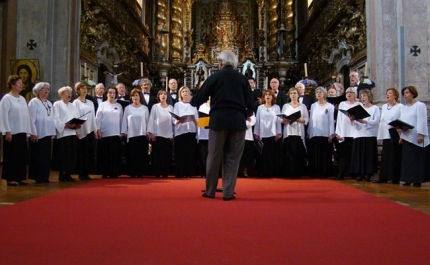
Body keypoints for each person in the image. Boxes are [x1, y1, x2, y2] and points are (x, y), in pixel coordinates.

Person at [191, 50, 253, 200]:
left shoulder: (215, 77)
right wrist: (246, 114)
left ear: (221, 63)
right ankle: (228, 192)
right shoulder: (243, 79)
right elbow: (250, 104)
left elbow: (197, 99)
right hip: (238, 122)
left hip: (218, 121)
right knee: (233, 158)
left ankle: (210, 191)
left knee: (213, 156)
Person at [0, 75, 31, 186]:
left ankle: (19, 177)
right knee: (11, 156)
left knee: (20, 156)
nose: (21, 85)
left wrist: (27, 131)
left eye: (21, 83)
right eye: (18, 83)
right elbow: (3, 116)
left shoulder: (22, 98)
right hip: (11, 132)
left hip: (21, 131)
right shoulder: (7, 99)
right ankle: (10, 178)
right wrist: (7, 131)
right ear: (12, 84)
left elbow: (26, 116)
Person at [398, 86, 430, 187]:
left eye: (407, 92)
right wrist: (401, 135)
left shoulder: (419, 105)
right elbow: (402, 122)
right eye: (404, 93)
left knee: (416, 159)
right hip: (407, 136)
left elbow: (422, 120)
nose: (405, 95)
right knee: (408, 159)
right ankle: (408, 179)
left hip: (416, 137)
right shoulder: (404, 107)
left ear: (413, 93)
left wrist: (421, 134)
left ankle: (417, 180)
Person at [28, 82, 56, 183]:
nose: (47, 90)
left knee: (46, 156)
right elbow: (31, 118)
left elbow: (52, 118)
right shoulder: (34, 102)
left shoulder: (48, 103)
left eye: (48, 89)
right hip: (38, 133)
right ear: (38, 90)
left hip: (47, 132)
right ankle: (37, 176)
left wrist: (52, 132)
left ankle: (45, 176)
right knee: (38, 156)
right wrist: (33, 132)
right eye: (44, 88)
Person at [350, 89, 380, 182]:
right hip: (359, 133)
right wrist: (353, 119)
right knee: (359, 155)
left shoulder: (375, 108)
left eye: (364, 96)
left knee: (369, 155)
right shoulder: (358, 108)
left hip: (369, 134)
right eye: (361, 96)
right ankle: (360, 173)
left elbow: (376, 121)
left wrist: (365, 121)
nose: (363, 98)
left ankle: (369, 174)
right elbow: (355, 124)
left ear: (369, 97)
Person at [53, 86, 81, 182]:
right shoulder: (57, 104)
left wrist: (77, 126)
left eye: (70, 92)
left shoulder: (73, 106)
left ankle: (68, 173)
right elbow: (56, 118)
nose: (69, 94)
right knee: (63, 154)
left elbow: (77, 117)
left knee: (71, 154)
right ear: (61, 94)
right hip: (63, 133)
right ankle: (62, 173)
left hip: (72, 133)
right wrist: (65, 125)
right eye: (67, 92)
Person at [375, 88, 403, 184]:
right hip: (385, 133)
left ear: (395, 95)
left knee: (394, 156)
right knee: (385, 156)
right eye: (387, 93)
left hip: (395, 133)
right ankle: (383, 177)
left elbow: (402, 120)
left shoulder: (400, 107)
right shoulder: (384, 106)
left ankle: (395, 177)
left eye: (390, 93)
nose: (387, 95)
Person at [95, 86, 123, 178]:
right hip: (105, 133)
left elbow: (121, 119)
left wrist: (122, 132)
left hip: (115, 133)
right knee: (105, 154)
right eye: (110, 93)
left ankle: (114, 172)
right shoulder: (102, 105)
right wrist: (98, 130)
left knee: (114, 154)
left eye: (113, 93)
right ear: (106, 94)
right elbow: (98, 118)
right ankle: (105, 171)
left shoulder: (118, 106)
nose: (112, 94)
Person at [281, 87, 309, 178]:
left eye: (295, 93)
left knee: (298, 152)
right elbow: (282, 118)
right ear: (289, 95)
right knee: (289, 152)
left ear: (298, 95)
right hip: (288, 132)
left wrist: (301, 120)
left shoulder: (303, 106)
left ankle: (298, 172)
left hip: (299, 132)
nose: (293, 95)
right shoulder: (285, 106)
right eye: (291, 93)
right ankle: (288, 172)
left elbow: (307, 119)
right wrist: (284, 120)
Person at [121, 88, 150, 178]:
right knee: (131, 154)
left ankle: (140, 171)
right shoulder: (127, 108)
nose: (135, 97)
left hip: (142, 134)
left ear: (140, 97)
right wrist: (124, 132)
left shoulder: (145, 108)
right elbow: (124, 121)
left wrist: (148, 133)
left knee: (141, 154)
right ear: (131, 97)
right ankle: (132, 171)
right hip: (131, 134)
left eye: (136, 95)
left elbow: (148, 121)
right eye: (133, 96)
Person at [307, 87, 335, 178]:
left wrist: (331, 133)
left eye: (320, 92)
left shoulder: (330, 106)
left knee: (325, 153)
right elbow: (311, 120)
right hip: (315, 133)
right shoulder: (313, 105)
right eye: (317, 92)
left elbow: (331, 120)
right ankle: (315, 172)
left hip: (325, 133)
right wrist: (309, 132)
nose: (318, 94)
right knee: (315, 153)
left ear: (324, 94)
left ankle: (325, 172)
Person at [253, 89, 282, 177]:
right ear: (264, 97)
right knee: (263, 154)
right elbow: (257, 120)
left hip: (273, 133)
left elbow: (278, 120)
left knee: (272, 154)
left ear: (273, 97)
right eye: (266, 95)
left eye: (270, 95)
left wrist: (279, 132)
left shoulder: (276, 107)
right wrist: (256, 133)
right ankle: (263, 171)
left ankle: (272, 172)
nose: (268, 96)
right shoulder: (260, 108)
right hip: (262, 133)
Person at [73, 82, 97, 180]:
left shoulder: (90, 102)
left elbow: (93, 117)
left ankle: (87, 172)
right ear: (78, 91)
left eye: (85, 88)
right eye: (82, 88)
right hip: (81, 129)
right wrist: (76, 131)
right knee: (81, 152)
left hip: (90, 129)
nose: (84, 90)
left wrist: (95, 129)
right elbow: (75, 116)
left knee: (89, 152)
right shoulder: (76, 103)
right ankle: (81, 172)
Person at [335, 87, 360, 180]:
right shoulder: (342, 104)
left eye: (351, 92)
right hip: (344, 132)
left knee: (354, 154)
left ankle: (354, 173)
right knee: (343, 154)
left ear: (355, 94)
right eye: (347, 92)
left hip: (355, 132)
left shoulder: (359, 104)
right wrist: (338, 133)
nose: (349, 94)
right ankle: (341, 173)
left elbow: (361, 118)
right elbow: (339, 119)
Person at [173, 86, 198, 178]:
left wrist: (195, 121)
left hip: (191, 130)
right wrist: (178, 120)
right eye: (183, 91)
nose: (185, 93)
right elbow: (174, 117)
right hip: (180, 131)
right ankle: (181, 172)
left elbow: (196, 117)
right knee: (181, 153)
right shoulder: (177, 105)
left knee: (190, 152)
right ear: (180, 94)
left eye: (186, 91)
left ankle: (190, 172)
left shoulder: (193, 105)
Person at [147, 90, 174, 178]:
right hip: (157, 134)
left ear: (167, 96)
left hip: (168, 134)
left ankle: (165, 172)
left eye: (165, 94)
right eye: (161, 94)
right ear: (158, 96)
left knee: (166, 155)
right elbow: (151, 119)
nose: (163, 95)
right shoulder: (155, 107)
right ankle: (157, 172)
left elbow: (173, 121)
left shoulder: (171, 107)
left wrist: (172, 134)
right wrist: (152, 133)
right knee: (157, 155)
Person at [197, 98, 211, 178]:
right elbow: (199, 121)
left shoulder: (215, 106)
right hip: (203, 134)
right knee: (203, 155)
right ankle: (204, 172)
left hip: (213, 134)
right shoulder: (201, 107)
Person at [240, 113, 256, 177]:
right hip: (238, 135)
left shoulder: (250, 111)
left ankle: (245, 172)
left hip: (248, 136)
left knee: (246, 155)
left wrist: (248, 120)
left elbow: (253, 121)